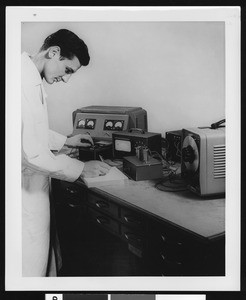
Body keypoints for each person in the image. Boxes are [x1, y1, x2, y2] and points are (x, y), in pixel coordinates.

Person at [21, 29, 111, 277]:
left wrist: (65, 141)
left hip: (33, 190)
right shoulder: (17, 82)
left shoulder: (28, 78)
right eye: (68, 70)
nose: (67, 79)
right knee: (27, 271)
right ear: (54, 52)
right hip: (22, 195)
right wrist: (81, 168)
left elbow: (27, 128)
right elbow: (29, 154)